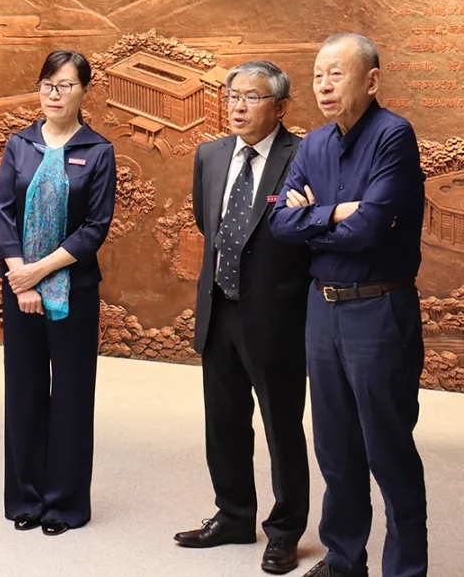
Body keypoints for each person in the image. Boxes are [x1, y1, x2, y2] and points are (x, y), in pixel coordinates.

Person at [270, 33, 427, 577]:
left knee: (387, 447)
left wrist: (314, 219)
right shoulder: (312, 144)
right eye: (317, 75)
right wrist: (336, 213)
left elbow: (370, 229)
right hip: (323, 310)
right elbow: (280, 223)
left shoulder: (393, 136)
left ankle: (404, 569)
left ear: (372, 80)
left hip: (378, 309)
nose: (324, 85)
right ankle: (343, 559)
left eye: (336, 73)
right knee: (335, 446)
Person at [174, 60, 312, 575]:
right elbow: (206, 222)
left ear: (280, 107)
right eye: (232, 95)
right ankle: (233, 516)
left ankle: (285, 531)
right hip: (219, 309)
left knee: (282, 428)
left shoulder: (303, 155)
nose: (238, 106)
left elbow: (306, 232)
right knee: (224, 423)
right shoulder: (210, 155)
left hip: (276, 316)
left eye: (252, 97)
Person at [0, 49, 117, 536]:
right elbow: (3, 214)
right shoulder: (19, 144)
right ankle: (26, 497)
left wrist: (38, 273)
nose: (54, 94)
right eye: (47, 84)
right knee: (23, 393)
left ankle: (64, 503)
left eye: (65, 85)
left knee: (70, 395)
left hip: (73, 289)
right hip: (18, 288)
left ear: (84, 91)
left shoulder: (98, 151)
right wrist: (19, 277)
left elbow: (95, 227)